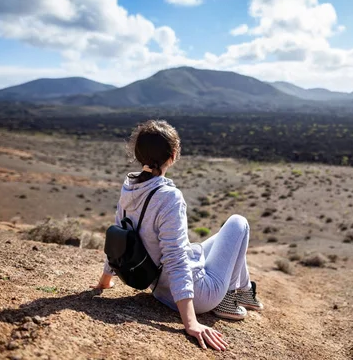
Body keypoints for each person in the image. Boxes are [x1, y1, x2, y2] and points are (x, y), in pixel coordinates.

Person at [91, 120, 263, 351]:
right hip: (200, 296)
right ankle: (232, 298)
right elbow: (175, 257)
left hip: (160, 291)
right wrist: (191, 323)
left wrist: (105, 281)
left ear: (138, 154)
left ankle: (241, 291)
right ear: (173, 155)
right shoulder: (169, 196)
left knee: (206, 244)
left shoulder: (130, 186)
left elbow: (119, 234)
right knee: (238, 223)